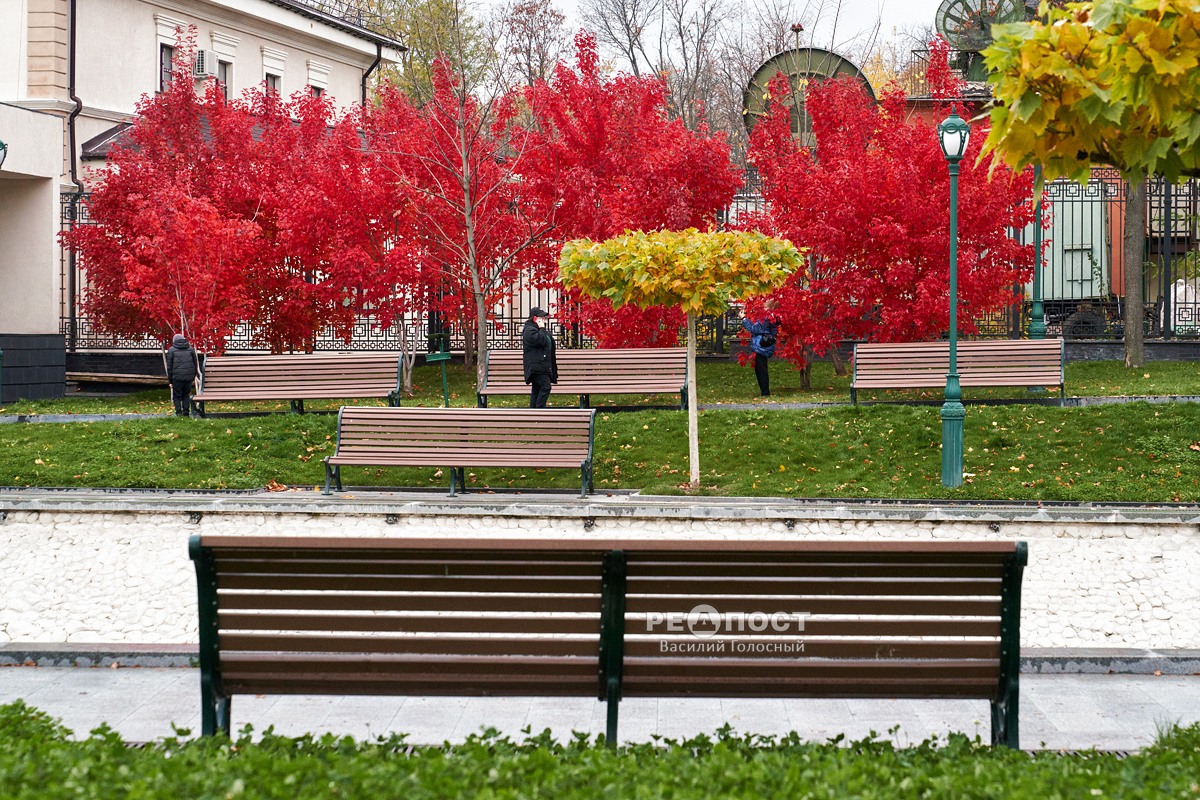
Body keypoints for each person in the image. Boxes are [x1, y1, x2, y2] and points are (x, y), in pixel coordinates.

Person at [522, 307, 558, 408]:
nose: (544, 320)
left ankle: (533, 413)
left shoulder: (537, 329)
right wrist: (542, 328)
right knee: (545, 387)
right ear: (535, 318)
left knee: (537, 389)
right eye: (542, 317)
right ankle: (540, 411)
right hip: (536, 366)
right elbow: (540, 341)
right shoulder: (529, 330)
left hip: (542, 365)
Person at [742, 310, 778, 398]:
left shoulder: (766, 318)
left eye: (765, 306)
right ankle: (764, 391)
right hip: (763, 346)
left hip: (762, 347)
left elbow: (753, 329)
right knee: (760, 368)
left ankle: (765, 392)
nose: (763, 308)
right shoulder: (772, 317)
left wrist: (743, 318)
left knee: (761, 369)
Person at [165, 333, 198, 416]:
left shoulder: (171, 350)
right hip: (188, 377)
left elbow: (169, 367)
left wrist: (170, 381)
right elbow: (195, 363)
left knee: (177, 396)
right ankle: (186, 412)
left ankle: (179, 413)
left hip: (177, 377)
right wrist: (193, 376)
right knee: (186, 394)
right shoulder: (190, 349)